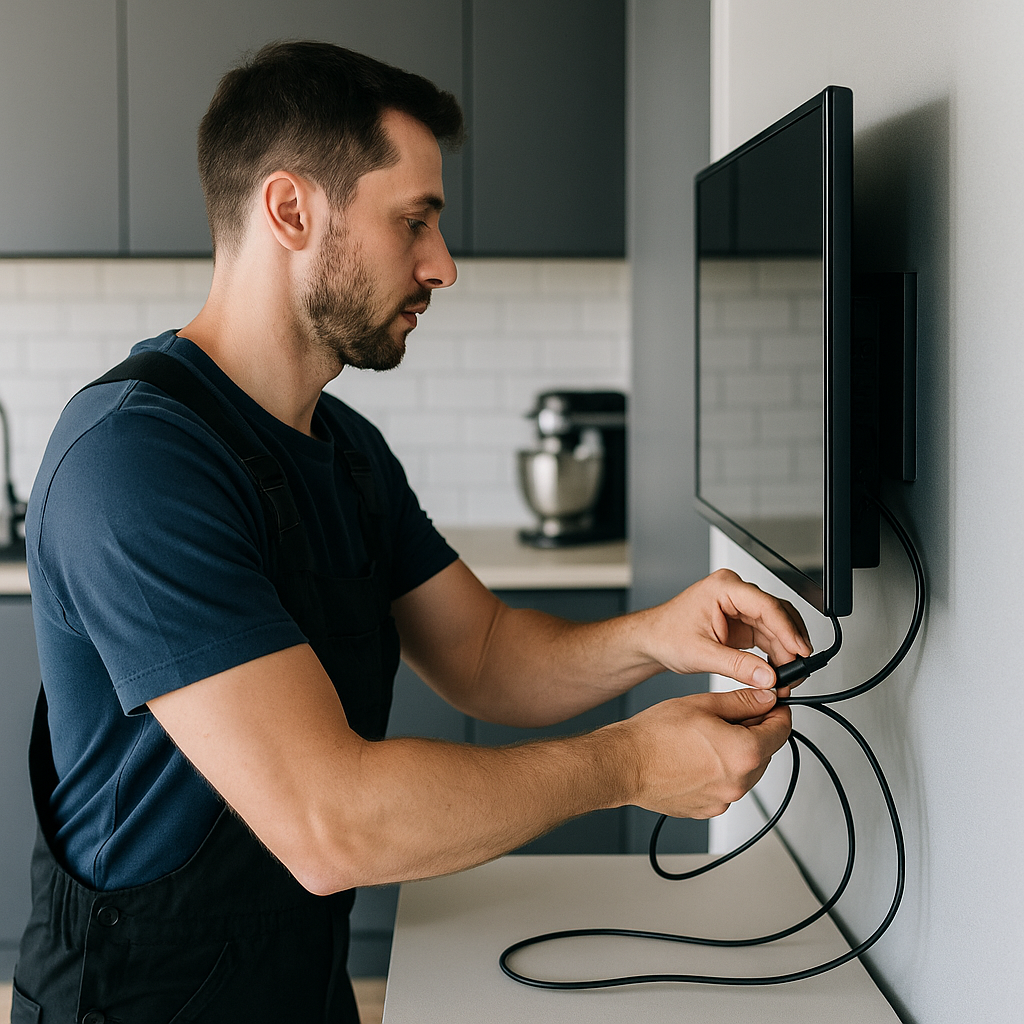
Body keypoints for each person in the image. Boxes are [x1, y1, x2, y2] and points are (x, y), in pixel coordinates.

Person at [12, 40, 812, 1024]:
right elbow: (327, 821)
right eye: (414, 220)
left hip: (297, 983)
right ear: (291, 210)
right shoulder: (135, 462)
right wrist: (631, 765)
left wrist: (655, 634)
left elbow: (481, 652)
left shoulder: (344, 449)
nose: (442, 263)